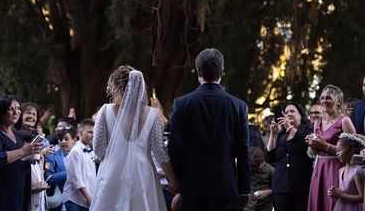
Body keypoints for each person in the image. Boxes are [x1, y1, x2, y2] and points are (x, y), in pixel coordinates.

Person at [169, 48, 251, 210]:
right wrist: (245, 189)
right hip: (225, 187)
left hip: (192, 186)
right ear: (222, 72)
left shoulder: (182, 103)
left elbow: (175, 146)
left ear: (199, 72)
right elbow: (243, 150)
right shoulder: (239, 106)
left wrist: (176, 180)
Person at [91, 66, 178, 210]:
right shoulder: (153, 114)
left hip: (112, 174)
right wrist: (173, 179)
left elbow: (99, 150)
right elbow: (159, 151)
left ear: (115, 87)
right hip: (143, 176)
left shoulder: (105, 111)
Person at [0, 95, 43, 211]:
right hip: (1, 194)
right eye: (12, 109)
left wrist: (29, 157)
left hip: (19, 192)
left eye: (18, 108)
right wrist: (23, 151)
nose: (16, 112)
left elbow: (19, 158)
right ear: (0, 111)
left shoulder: (16, 133)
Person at [305, 84, 357, 211]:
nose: (324, 101)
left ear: (338, 100)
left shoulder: (344, 121)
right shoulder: (317, 122)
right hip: (318, 168)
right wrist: (312, 145)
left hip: (336, 167)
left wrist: (326, 146)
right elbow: (314, 152)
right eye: (322, 98)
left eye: (328, 98)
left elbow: (354, 149)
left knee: (332, 202)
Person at [266, 101, 314, 211]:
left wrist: (290, 128)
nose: (288, 114)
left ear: (301, 115)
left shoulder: (308, 130)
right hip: (281, 186)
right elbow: (269, 157)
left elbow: (307, 148)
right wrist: (273, 135)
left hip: (301, 186)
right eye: (286, 112)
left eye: (292, 111)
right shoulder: (282, 134)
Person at [63, 119, 97, 211]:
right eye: (89, 132)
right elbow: (75, 178)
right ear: (80, 132)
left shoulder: (91, 151)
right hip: (75, 200)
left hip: (87, 200)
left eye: (94, 132)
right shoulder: (75, 151)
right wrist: (88, 197)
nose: (92, 135)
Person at [328, 133, 365, 211]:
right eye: (336, 150)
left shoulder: (357, 171)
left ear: (351, 150)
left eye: (340, 149)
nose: (337, 153)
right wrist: (335, 193)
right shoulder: (341, 170)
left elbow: (363, 197)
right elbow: (345, 191)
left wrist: (340, 194)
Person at [45, 127, 75, 211]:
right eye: (60, 139)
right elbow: (49, 178)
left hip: (79, 200)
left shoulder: (81, 156)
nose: (63, 142)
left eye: (66, 139)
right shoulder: (52, 156)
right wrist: (71, 172)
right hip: (60, 200)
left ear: (74, 140)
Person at [245, 146, 274, 211]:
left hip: (264, 206)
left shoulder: (270, 170)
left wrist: (268, 192)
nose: (257, 168)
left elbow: (279, 188)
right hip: (248, 206)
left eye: (258, 165)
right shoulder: (246, 168)